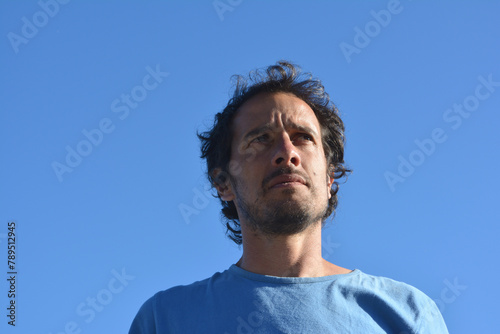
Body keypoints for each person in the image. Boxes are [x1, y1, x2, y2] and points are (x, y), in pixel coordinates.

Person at [128, 61, 449, 333]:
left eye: (303, 138)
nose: (286, 153)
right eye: (261, 139)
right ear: (223, 182)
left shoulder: (408, 313)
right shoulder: (165, 319)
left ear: (329, 177)